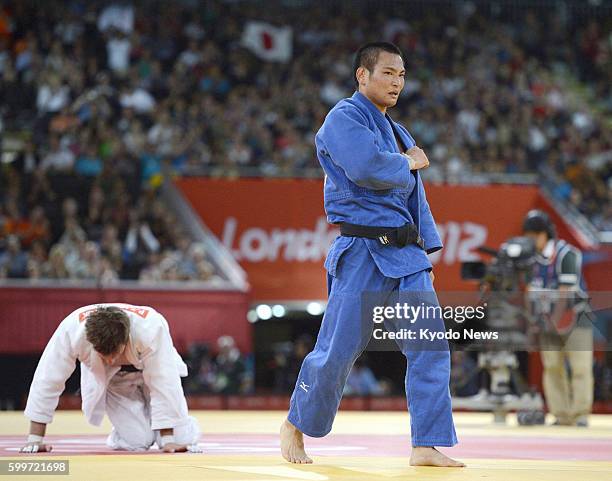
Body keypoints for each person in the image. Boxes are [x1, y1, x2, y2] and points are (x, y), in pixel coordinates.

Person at [280, 42, 464, 467]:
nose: (397, 82)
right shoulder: (343, 118)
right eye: (387, 73)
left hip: (406, 255)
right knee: (338, 351)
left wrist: (424, 252)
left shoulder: (400, 134)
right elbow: (365, 168)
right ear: (362, 75)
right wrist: (408, 162)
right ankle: (295, 425)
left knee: (431, 347)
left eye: (401, 75)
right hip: (362, 250)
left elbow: (416, 201)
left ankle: (426, 444)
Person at [21, 303, 201, 453]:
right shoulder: (72, 331)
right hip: (115, 381)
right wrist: (35, 439)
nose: (110, 360)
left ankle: (176, 425)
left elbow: (163, 380)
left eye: (115, 352)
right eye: (103, 354)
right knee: (137, 442)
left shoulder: (151, 327)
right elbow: (48, 379)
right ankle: (126, 429)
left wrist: (168, 439)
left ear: (126, 338)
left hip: (150, 369)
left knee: (181, 439)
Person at [523, 209, 594, 426]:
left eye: (534, 235)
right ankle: (561, 414)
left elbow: (565, 292)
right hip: (548, 322)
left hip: (576, 320)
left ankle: (580, 414)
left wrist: (554, 321)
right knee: (552, 368)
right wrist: (532, 323)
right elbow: (528, 292)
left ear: (545, 234)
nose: (530, 240)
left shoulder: (567, 254)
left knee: (580, 367)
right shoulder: (531, 259)